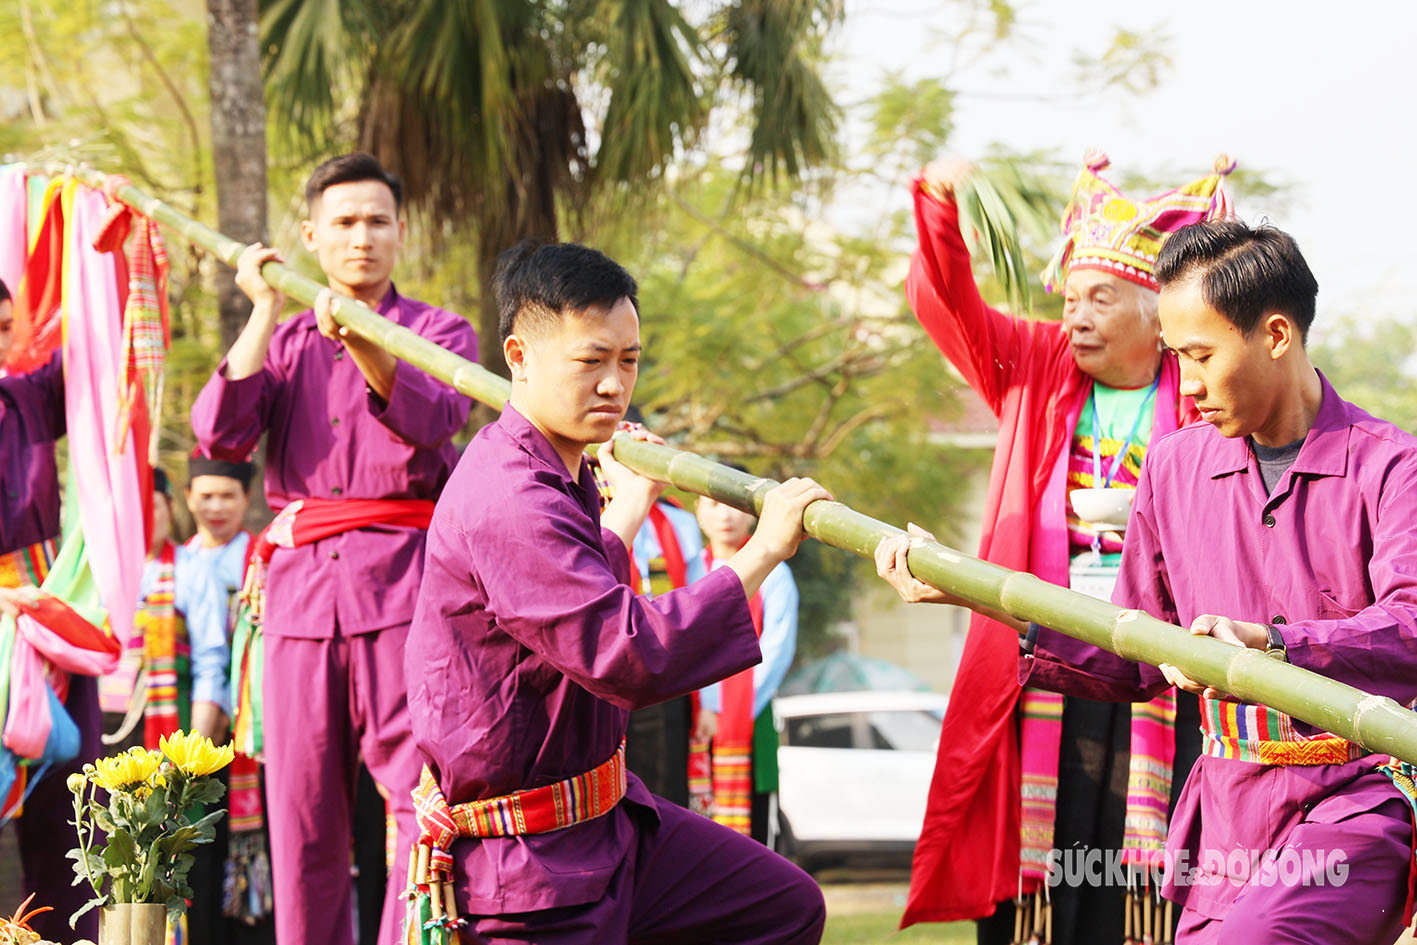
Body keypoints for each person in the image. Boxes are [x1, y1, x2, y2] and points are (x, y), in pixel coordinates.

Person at [404, 239, 828, 944]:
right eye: (589, 361)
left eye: (627, 360)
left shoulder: (554, 468)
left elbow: (576, 586)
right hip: (529, 868)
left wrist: (627, 505)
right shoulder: (508, 493)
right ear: (518, 356)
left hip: (611, 826)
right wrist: (762, 549)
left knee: (779, 905)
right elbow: (622, 653)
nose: (613, 384)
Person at [1017, 219, 1417, 943]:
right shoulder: (1171, 468)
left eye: (1200, 355)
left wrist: (1273, 643)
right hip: (1222, 825)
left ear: (1274, 335)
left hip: (1353, 805)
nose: (1188, 383)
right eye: (1176, 356)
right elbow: (1134, 648)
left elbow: (1413, 629)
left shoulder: (1392, 466)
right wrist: (989, 605)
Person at [887, 152, 1235, 943]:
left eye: (1098, 299)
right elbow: (945, 304)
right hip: (1041, 650)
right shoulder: (1036, 367)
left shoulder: (1203, 391)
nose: (1072, 316)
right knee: (1040, 864)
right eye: (1068, 297)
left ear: (1157, 316)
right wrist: (938, 209)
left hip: (1163, 664)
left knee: (1140, 864)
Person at [191, 151, 476, 945]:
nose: (362, 238)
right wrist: (256, 308)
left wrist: (357, 339)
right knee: (301, 813)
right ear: (312, 236)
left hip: (410, 597)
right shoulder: (280, 340)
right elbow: (219, 433)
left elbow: (433, 420)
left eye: (377, 222)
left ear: (401, 233)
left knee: (417, 799)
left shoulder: (441, 332)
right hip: (297, 603)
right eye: (344, 223)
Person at [0, 277, 102, 943]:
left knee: (67, 812)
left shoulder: (25, 396)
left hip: (48, 615)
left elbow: (100, 354)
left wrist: (103, 254)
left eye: (4, 328)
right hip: (16, 609)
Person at [100, 467, 232, 943]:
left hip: (167, 737)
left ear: (168, 509)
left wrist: (189, 760)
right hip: (107, 742)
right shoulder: (101, 571)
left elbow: (211, 662)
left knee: (171, 865)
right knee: (110, 866)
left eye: (150, 507)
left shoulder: (191, 569)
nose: (140, 520)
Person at [696, 488, 798, 844]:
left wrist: (725, 708)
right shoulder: (691, 568)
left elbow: (777, 648)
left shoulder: (775, 574)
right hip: (692, 721)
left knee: (755, 833)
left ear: (754, 514)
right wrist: (703, 705)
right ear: (698, 511)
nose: (725, 516)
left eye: (735, 507)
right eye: (713, 504)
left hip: (751, 717)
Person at [624, 490, 708, 808]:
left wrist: (708, 700)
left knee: (668, 782)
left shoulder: (679, 522)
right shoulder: (594, 507)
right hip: (620, 659)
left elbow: (697, 602)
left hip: (669, 661)